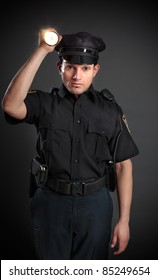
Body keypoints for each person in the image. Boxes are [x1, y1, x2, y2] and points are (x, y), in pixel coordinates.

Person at [1, 28, 139, 260]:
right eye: (70, 67)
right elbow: (11, 105)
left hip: (95, 206)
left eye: (85, 68)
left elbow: (123, 166)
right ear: (60, 68)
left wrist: (124, 221)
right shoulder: (44, 103)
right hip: (51, 202)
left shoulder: (110, 110)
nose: (77, 76)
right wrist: (42, 50)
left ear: (95, 70)